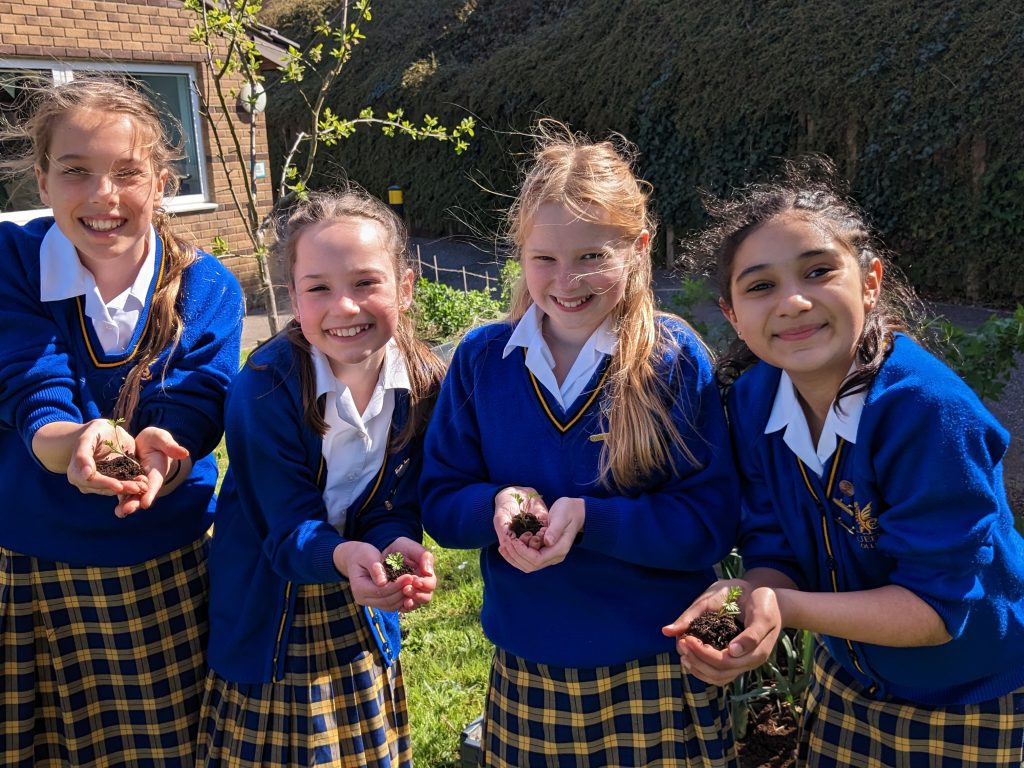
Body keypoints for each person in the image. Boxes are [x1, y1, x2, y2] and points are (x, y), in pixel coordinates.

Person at [665, 160, 1024, 766]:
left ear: (871, 281)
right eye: (760, 286)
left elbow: (936, 611)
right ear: (731, 313)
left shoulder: (927, 411)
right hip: (849, 681)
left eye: (818, 271)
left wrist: (787, 609)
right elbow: (771, 546)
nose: (794, 301)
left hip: (974, 694)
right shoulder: (753, 403)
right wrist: (749, 607)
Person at [419, 122, 741, 767]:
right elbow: (441, 501)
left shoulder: (672, 361)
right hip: (531, 660)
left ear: (639, 249)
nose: (567, 281)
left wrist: (594, 519)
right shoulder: (483, 361)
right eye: (545, 260)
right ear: (520, 256)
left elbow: (709, 525)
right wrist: (497, 506)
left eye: (593, 256)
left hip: (659, 662)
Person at [0, 75, 244, 765]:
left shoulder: (208, 285)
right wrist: (78, 442)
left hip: (166, 562)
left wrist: (162, 459)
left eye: (126, 173)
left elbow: (193, 408)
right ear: (42, 182)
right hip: (35, 564)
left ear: (161, 182)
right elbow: (30, 384)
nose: (103, 196)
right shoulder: (11, 263)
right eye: (76, 172)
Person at [197, 189, 441, 767]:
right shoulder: (263, 388)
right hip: (268, 608)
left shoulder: (427, 386)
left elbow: (394, 503)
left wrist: (397, 542)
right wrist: (345, 555)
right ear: (293, 299)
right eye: (319, 289)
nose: (345, 308)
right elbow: (285, 530)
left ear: (405, 288)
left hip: (360, 601)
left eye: (365, 283)